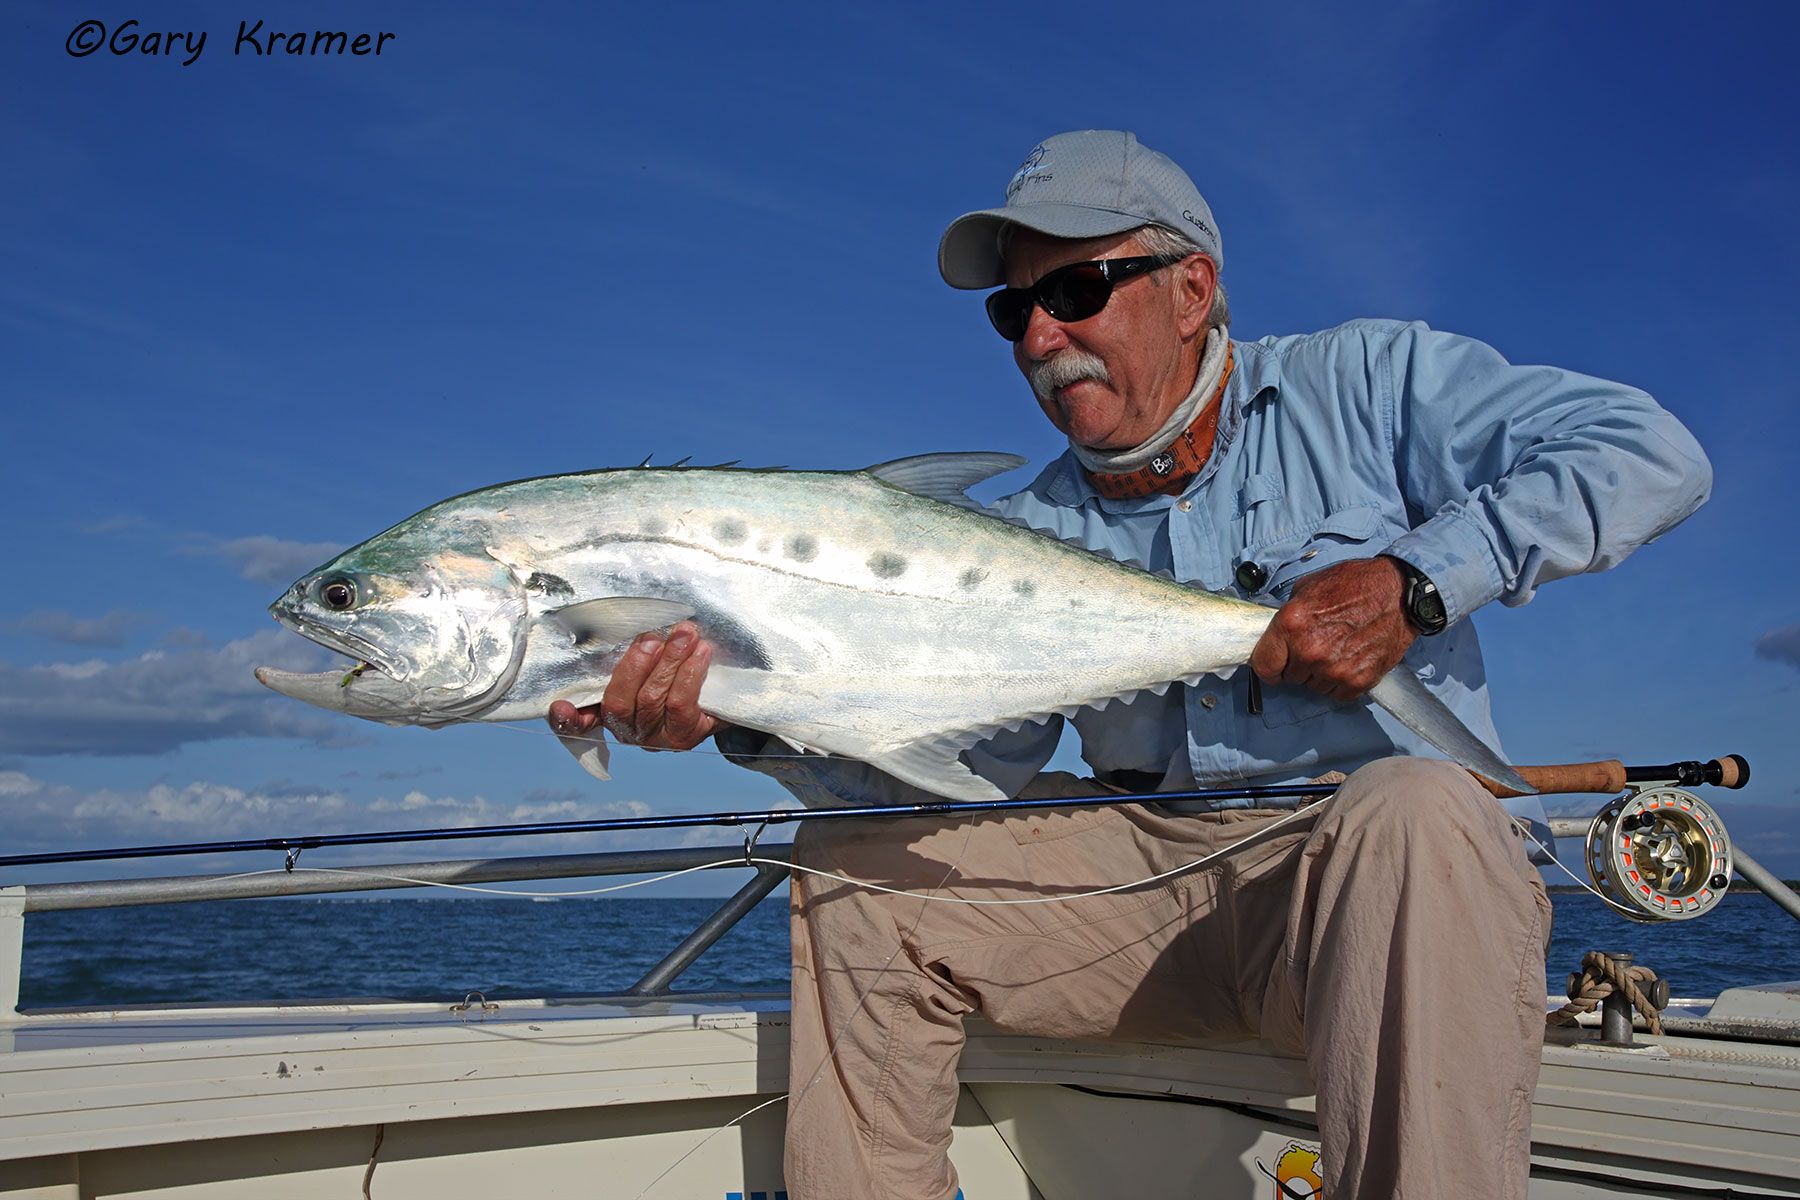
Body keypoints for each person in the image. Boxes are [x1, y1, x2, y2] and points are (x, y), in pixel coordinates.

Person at [549, 130, 1712, 1199]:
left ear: (1193, 287)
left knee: (1413, 809)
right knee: (860, 862)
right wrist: (750, 721)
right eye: (1015, 314)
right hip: (1148, 904)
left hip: (1381, 898)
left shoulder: (1365, 386)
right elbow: (971, 777)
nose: (1043, 339)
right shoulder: (1021, 535)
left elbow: (1650, 453)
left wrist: (1415, 584)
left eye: (1076, 291)